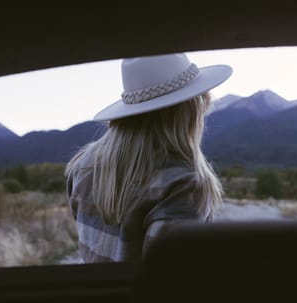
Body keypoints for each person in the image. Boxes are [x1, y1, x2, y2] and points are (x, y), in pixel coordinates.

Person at [65, 53, 232, 263]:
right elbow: (170, 278)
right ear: (190, 109)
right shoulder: (183, 183)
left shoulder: (83, 164)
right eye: (202, 101)